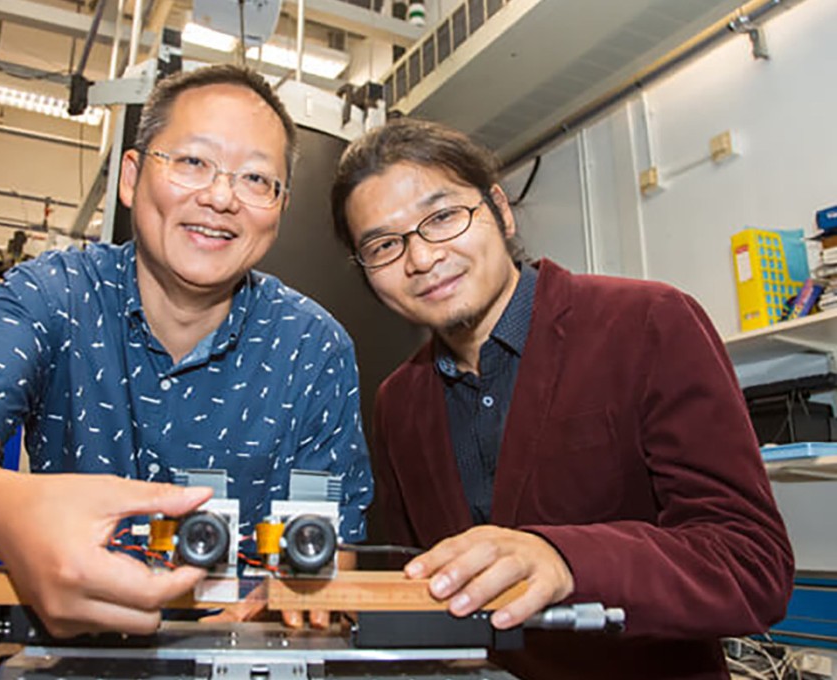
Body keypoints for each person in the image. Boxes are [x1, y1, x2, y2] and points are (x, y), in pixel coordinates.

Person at [0, 64, 373, 638]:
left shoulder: (314, 348)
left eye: (255, 179)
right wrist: (10, 511)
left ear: (279, 209)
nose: (220, 197)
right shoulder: (55, 295)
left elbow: (335, 545)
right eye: (193, 161)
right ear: (131, 177)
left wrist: (301, 596)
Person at [329, 118, 793, 680]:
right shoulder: (397, 402)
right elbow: (427, 582)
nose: (421, 259)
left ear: (499, 211)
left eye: (444, 217)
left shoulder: (648, 323)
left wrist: (567, 559)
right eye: (383, 244)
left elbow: (752, 564)